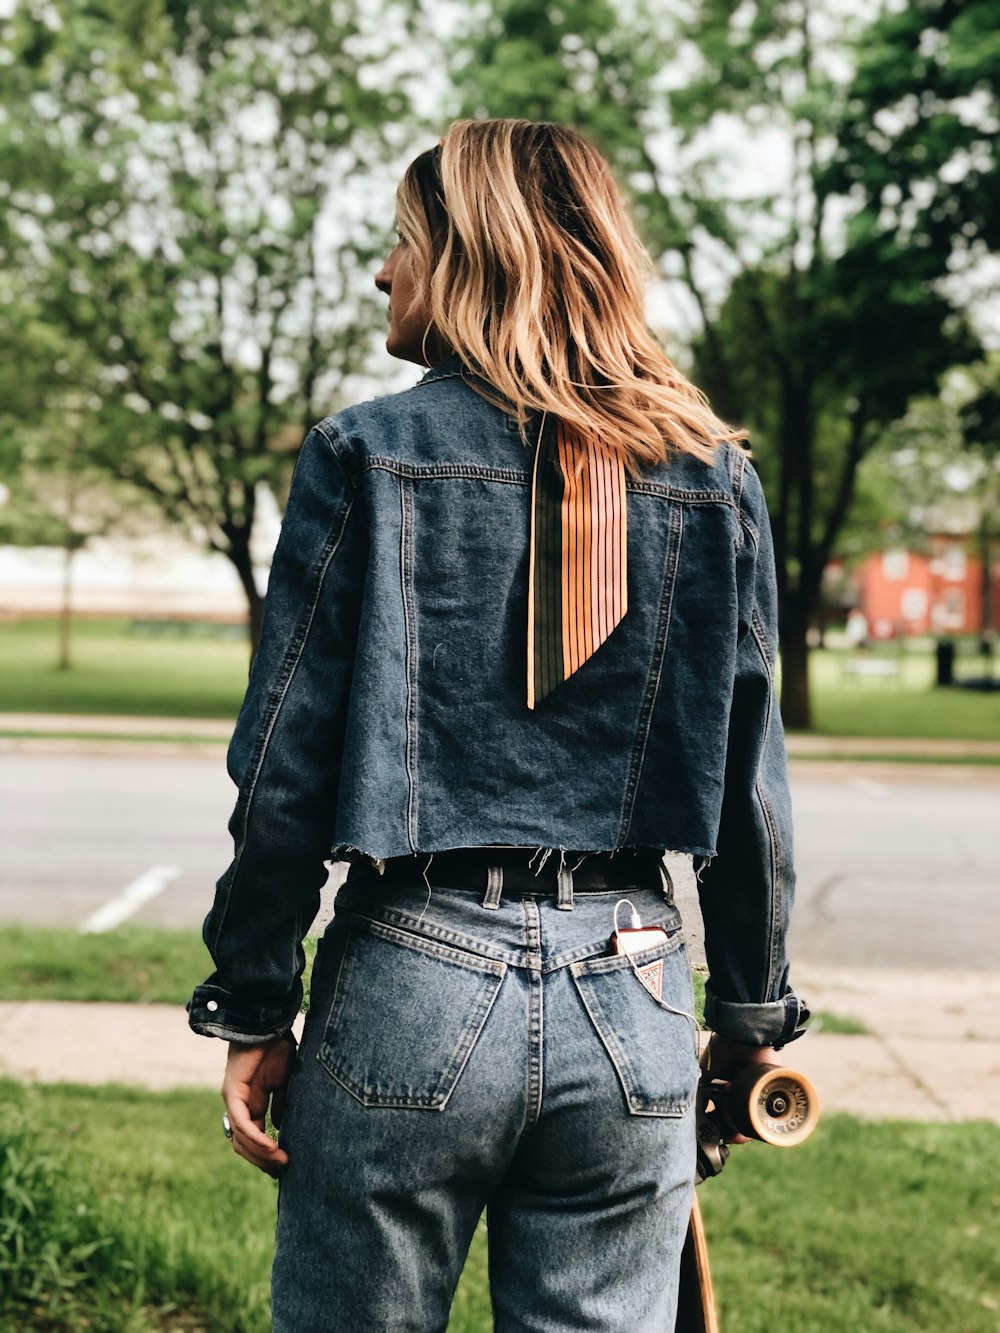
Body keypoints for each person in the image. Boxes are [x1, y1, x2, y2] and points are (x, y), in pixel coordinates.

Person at [188, 118, 808, 1332]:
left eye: (402, 239)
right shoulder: (710, 474)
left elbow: (282, 771)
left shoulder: (363, 456)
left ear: (471, 256)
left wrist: (256, 999)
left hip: (412, 975)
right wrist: (747, 1017)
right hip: (631, 990)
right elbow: (750, 798)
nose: (381, 269)